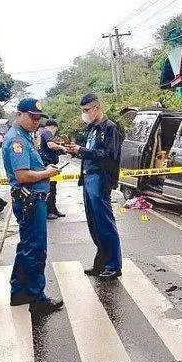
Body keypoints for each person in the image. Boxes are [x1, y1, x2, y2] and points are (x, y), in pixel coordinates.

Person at [2, 98, 63, 311]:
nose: (37, 121)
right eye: (33, 117)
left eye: (39, 118)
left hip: (31, 199)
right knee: (36, 248)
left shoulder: (25, 137)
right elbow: (23, 176)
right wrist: (47, 172)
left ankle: (19, 291)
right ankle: (37, 298)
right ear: (19, 114)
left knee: (27, 246)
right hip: (30, 199)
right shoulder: (17, 140)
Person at [65, 93, 123, 281]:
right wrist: (76, 151)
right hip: (88, 178)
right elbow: (91, 152)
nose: (84, 114)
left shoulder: (110, 128)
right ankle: (101, 263)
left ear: (96, 108)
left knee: (105, 223)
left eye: (86, 110)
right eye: (82, 111)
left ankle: (114, 265)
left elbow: (110, 155)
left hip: (100, 179)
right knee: (94, 224)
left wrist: (83, 151)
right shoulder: (92, 129)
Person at [38, 119, 68, 219]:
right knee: (49, 190)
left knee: (53, 189)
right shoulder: (47, 132)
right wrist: (61, 147)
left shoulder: (44, 133)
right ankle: (48, 212)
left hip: (50, 165)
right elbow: (51, 145)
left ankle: (53, 210)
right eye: (56, 129)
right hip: (47, 166)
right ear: (54, 127)